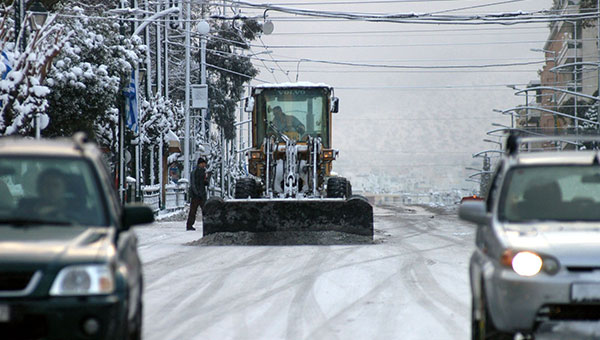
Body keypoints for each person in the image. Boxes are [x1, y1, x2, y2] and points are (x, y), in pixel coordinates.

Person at [186, 158, 210, 231]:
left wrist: (207, 179)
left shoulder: (204, 172)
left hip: (202, 194)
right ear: (200, 163)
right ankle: (189, 225)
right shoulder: (194, 172)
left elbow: (205, 183)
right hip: (196, 195)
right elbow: (193, 183)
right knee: (193, 211)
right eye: (203, 163)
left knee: (205, 210)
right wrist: (196, 192)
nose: (204, 165)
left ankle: (207, 225)